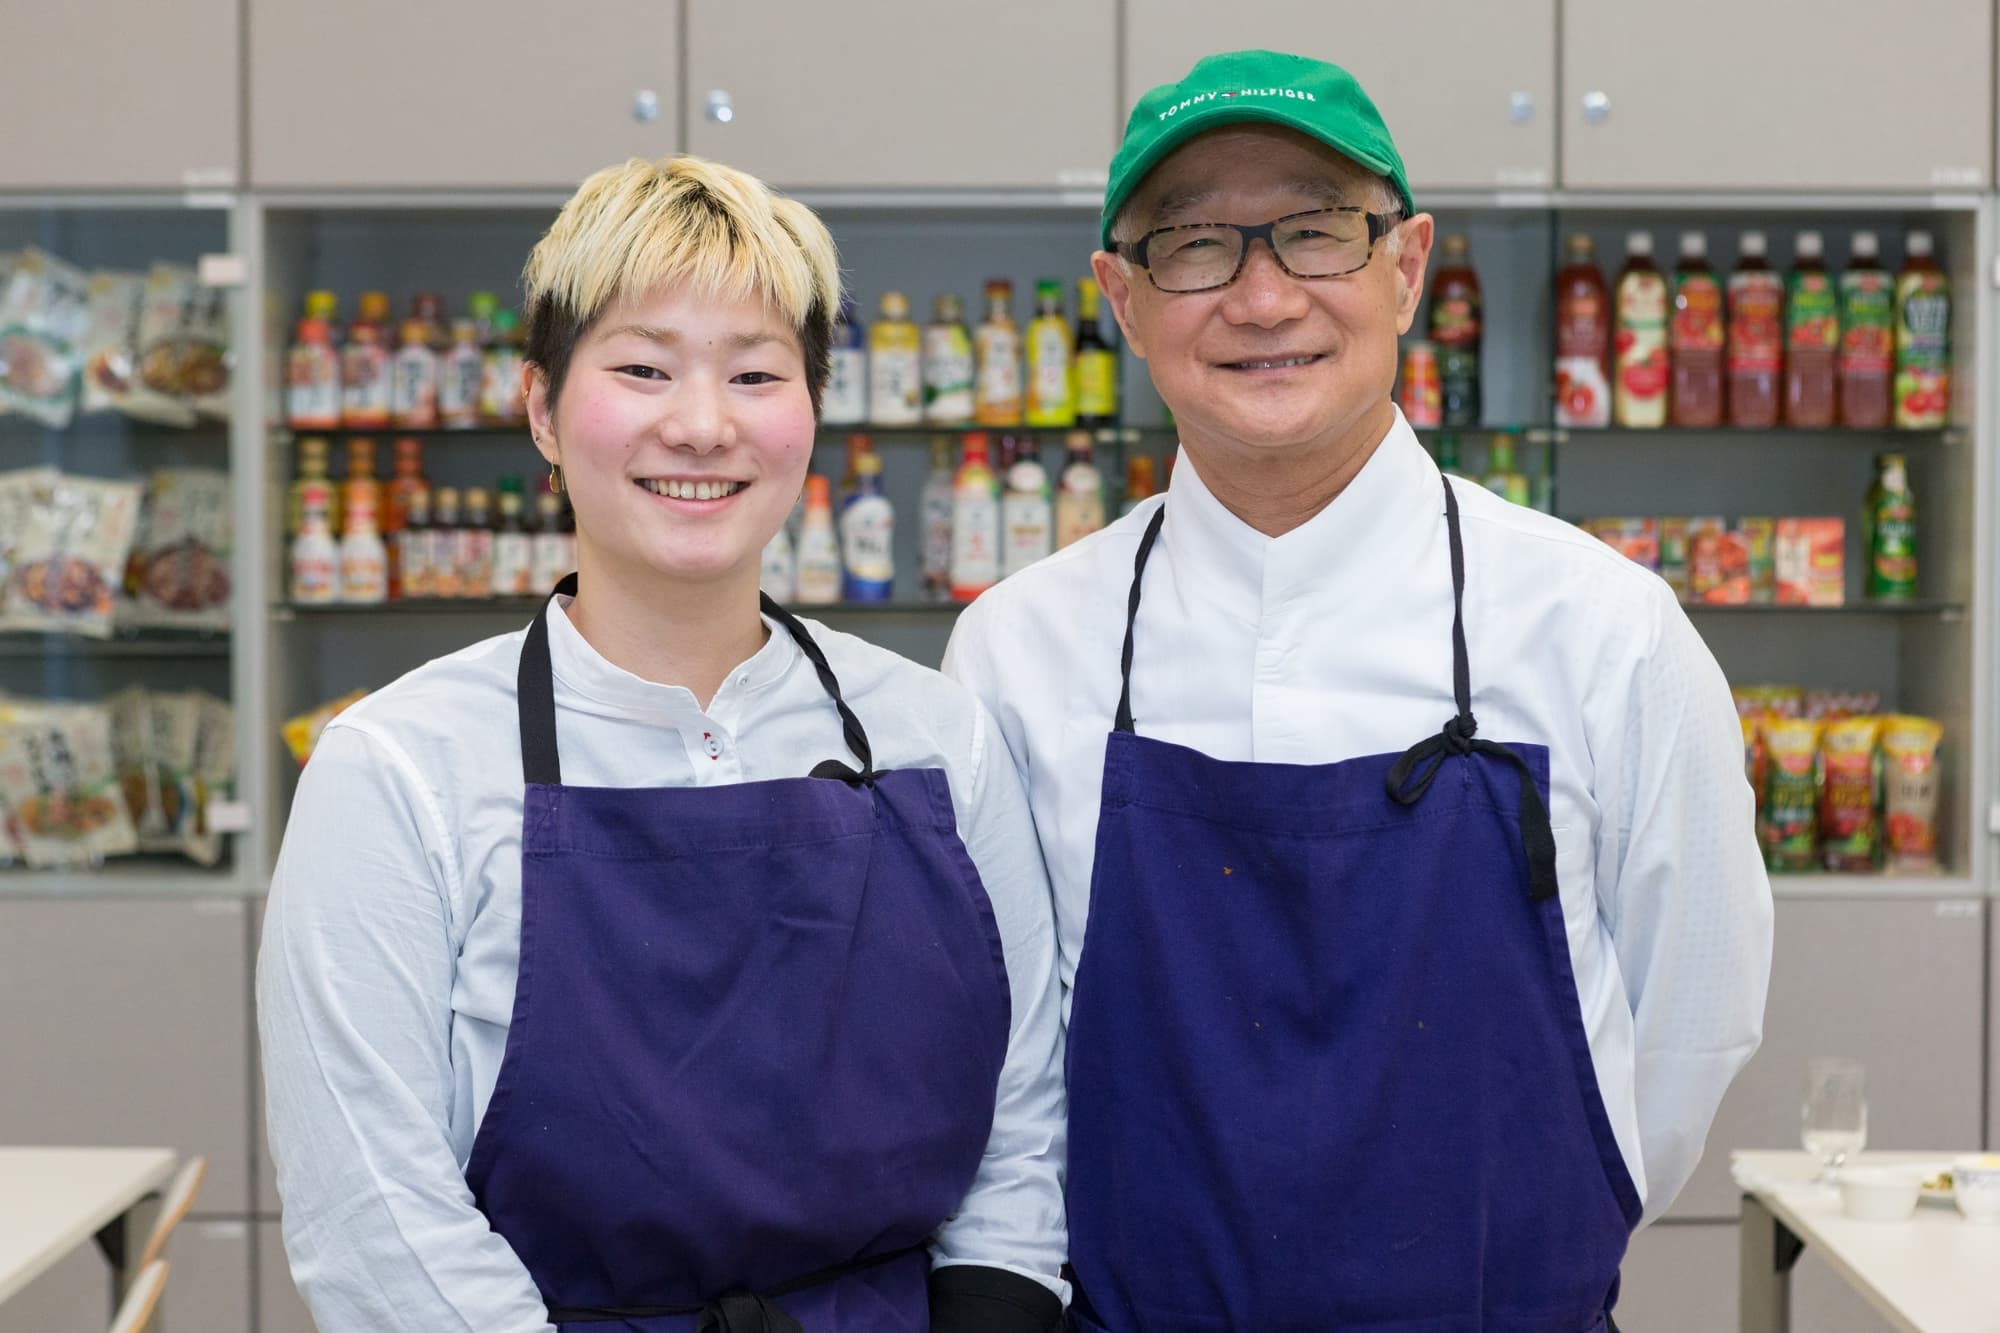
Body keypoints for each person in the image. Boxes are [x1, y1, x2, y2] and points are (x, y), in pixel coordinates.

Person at [942, 49, 1772, 1331]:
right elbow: (1011, 1079)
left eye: (1316, 234)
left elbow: (1687, 1035)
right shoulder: (1018, 651)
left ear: (1405, 266)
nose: (1263, 298)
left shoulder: (1600, 630)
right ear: (1118, 294)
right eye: (1195, 246)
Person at [259, 155, 1068, 1333]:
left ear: (811, 410)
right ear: (540, 406)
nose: (700, 424)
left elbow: (1021, 1121)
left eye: (754, 372)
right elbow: (372, 1215)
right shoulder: (397, 770)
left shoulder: (934, 737)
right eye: (641, 369)